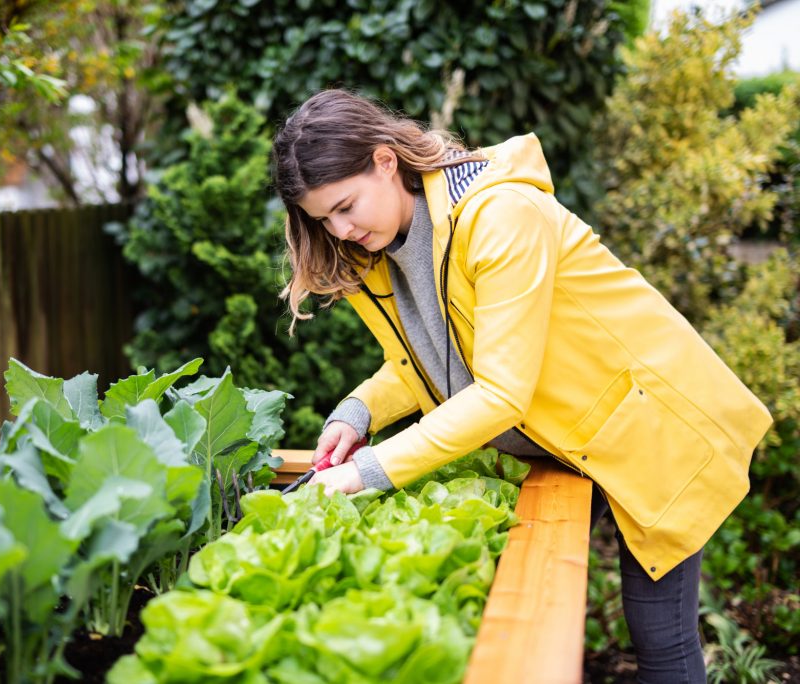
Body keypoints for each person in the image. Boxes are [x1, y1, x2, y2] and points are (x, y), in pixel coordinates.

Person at [271, 88, 772, 683]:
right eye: (323, 218)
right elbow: (427, 361)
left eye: (346, 206)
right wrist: (356, 414)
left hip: (649, 427)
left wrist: (366, 471)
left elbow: (500, 393)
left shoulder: (499, 215)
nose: (341, 229)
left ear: (386, 161)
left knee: (661, 639)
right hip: (565, 441)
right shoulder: (388, 248)